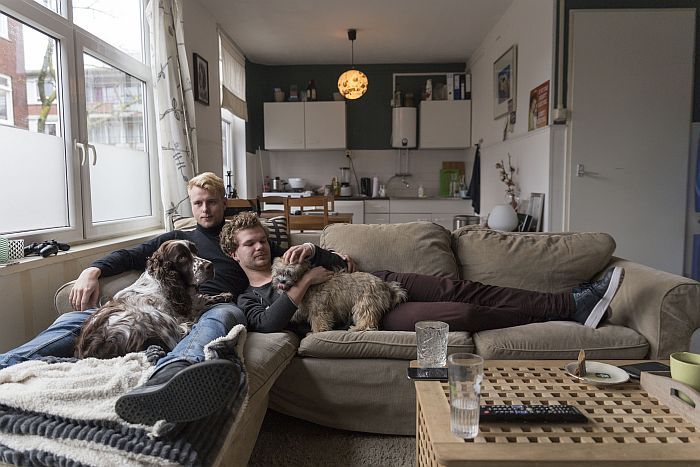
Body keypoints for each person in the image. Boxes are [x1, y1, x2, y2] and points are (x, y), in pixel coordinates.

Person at [0, 172, 313, 425]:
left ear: (224, 203)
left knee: (226, 316)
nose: (205, 209)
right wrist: (92, 271)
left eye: (211, 202)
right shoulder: (179, 239)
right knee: (75, 318)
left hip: (215, 305)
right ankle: (8, 363)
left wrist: (314, 251)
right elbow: (131, 254)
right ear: (192, 206)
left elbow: (293, 257)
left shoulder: (243, 238)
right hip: (162, 305)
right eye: (198, 203)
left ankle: (173, 376)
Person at [221, 212, 625, 334]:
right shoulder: (249, 298)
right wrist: (308, 280)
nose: (260, 247)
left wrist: (313, 251)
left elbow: (344, 267)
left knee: (467, 289)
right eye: (249, 244)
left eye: (262, 240)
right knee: (463, 314)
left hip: (380, 281)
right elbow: (270, 324)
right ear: (234, 253)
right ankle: (561, 311)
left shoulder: (291, 256)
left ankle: (570, 303)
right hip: (370, 314)